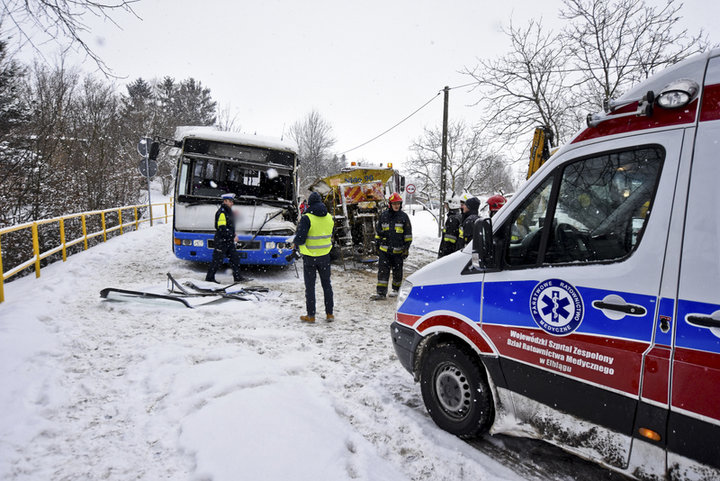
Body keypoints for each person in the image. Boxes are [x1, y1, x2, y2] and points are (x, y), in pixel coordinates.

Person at [293, 192, 334, 323]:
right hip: (325, 256)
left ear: (309, 204)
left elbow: (300, 238)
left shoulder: (307, 218)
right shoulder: (329, 217)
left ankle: (311, 315)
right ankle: (329, 314)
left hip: (310, 257)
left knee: (310, 287)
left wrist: (295, 242)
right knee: (327, 285)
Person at [372, 192, 412, 300]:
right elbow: (379, 232)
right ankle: (381, 293)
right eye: (394, 203)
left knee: (398, 272)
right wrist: (377, 245)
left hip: (398, 251)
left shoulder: (404, 217)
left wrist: (406, 248)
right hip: (384, 251)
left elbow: (408, 235)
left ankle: (396, 290)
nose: (396, 206)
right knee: (382, 272)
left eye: (398, 203)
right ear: (390, 204)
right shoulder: (384, 216)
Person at [206, 193, 245, 283]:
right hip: (221, 241)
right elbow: (221, 228)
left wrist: (233, 233)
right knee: (217, 261)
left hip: (228, 241)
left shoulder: (228, 211)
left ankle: (237, 277)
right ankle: (209, 278)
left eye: (232, 201)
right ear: (225, 201)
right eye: (230, 201)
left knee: (235, 258)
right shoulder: (222, 212)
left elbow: (229, 226)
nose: (232, 203)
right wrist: (232, 236)